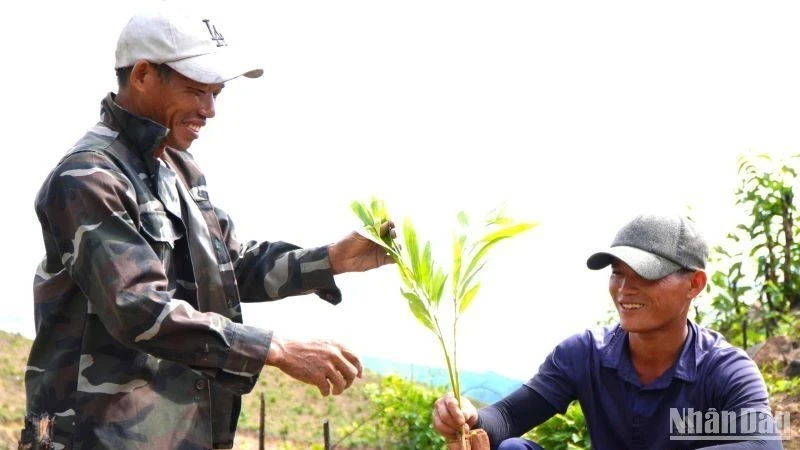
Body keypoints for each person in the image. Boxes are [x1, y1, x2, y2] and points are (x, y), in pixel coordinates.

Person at [21, 8, 395, 450]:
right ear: (142, 75)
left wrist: (331, 258)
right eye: (197, 90)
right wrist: (274, 349)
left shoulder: (177, 167)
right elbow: (139, 307)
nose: (210, 110)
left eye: (216, 93)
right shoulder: (88, 177)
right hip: (96, 436)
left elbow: (229, 264)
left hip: (176, 434)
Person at [432, 214, 785, 449]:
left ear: (694, 283)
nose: (624, 289)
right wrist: (471, 418)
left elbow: (763, 442)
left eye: (645, 274)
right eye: (617, 272)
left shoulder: (724, 370)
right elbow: (508, 418)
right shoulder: (584, 353)